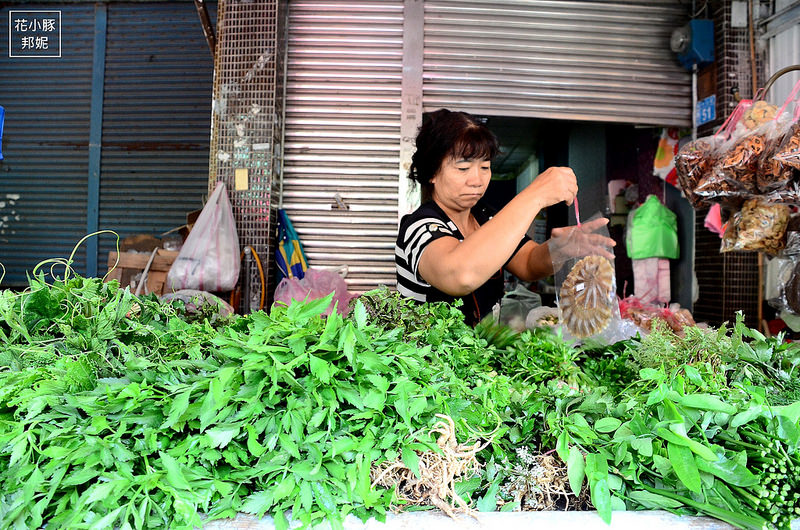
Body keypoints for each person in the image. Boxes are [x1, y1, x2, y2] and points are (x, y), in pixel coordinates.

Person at [395, 109, 615, 326]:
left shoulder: (486, 217)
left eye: (485, 167)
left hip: (483, 348)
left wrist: (558, 249)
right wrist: (535, 194)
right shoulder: (420, 226)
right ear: (432, 172)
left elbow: (528, 263)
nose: (477, 180)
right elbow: (461, 275)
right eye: (463, 168)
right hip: (430, 350)